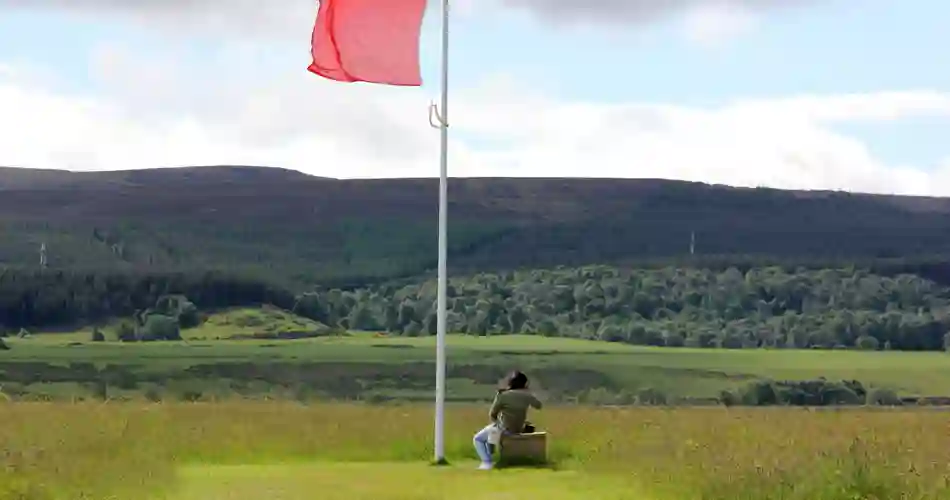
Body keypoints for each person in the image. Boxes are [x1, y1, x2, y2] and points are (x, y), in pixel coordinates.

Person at [472, 370, 542, 470]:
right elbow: (538, 405)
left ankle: (487, 462)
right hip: (518, 429)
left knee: (478, 439)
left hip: (504, 429)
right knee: (491, 433)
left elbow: (492, 414)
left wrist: (496, 423)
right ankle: (491, 460)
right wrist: (528, 393)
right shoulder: (527, 396)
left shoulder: (503, 395)